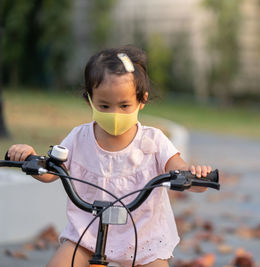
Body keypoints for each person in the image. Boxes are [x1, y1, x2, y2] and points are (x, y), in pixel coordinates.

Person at [7, 45, 213, 267]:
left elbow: (181, 171)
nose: (115, 114)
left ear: (141, 100)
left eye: (124, 105)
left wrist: (196, 176)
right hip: (87, 235)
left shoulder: (154, 141)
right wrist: (28, 156)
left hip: (143, 238)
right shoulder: (79, 138)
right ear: (89, 100)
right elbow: (51, 172)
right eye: (104, 106)